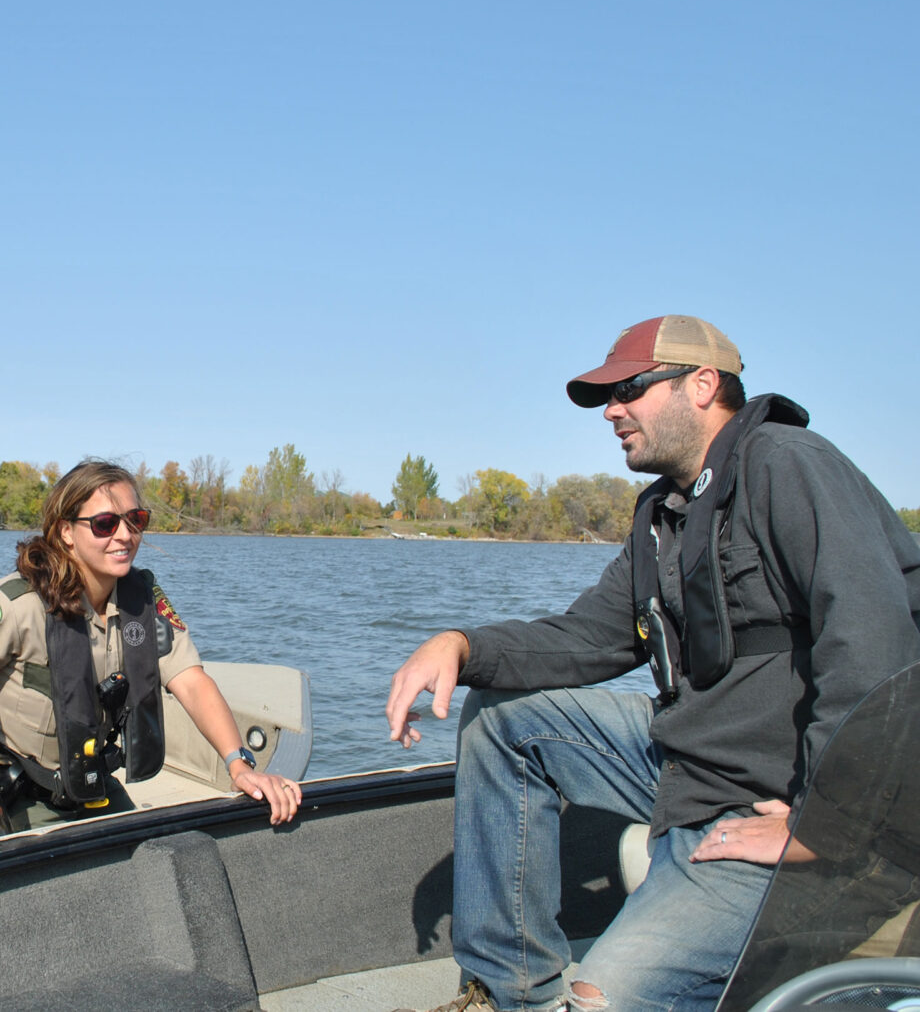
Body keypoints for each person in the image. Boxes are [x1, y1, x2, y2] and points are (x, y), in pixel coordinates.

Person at [382, 315, 920, 1012]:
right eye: (608, 396)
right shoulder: (665, 514)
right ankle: (507, 990)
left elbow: (874, 642)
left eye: (630, 388)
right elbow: (584, 638)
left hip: (787, 807)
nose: (612, 410)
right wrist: (460, 644)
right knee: (505, 717)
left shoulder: (788, 463)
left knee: (603, 998)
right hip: (690, 771)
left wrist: (823, 823)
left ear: (703, 385)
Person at [0, 459, 301, 830]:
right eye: (106, 523)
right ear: (65, 533)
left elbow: (191, 681)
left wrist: (240, 764)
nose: (125, 536)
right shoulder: (18, 605)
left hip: (89, 783)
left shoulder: (142, 602)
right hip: (10, 791)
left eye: (136, 520)